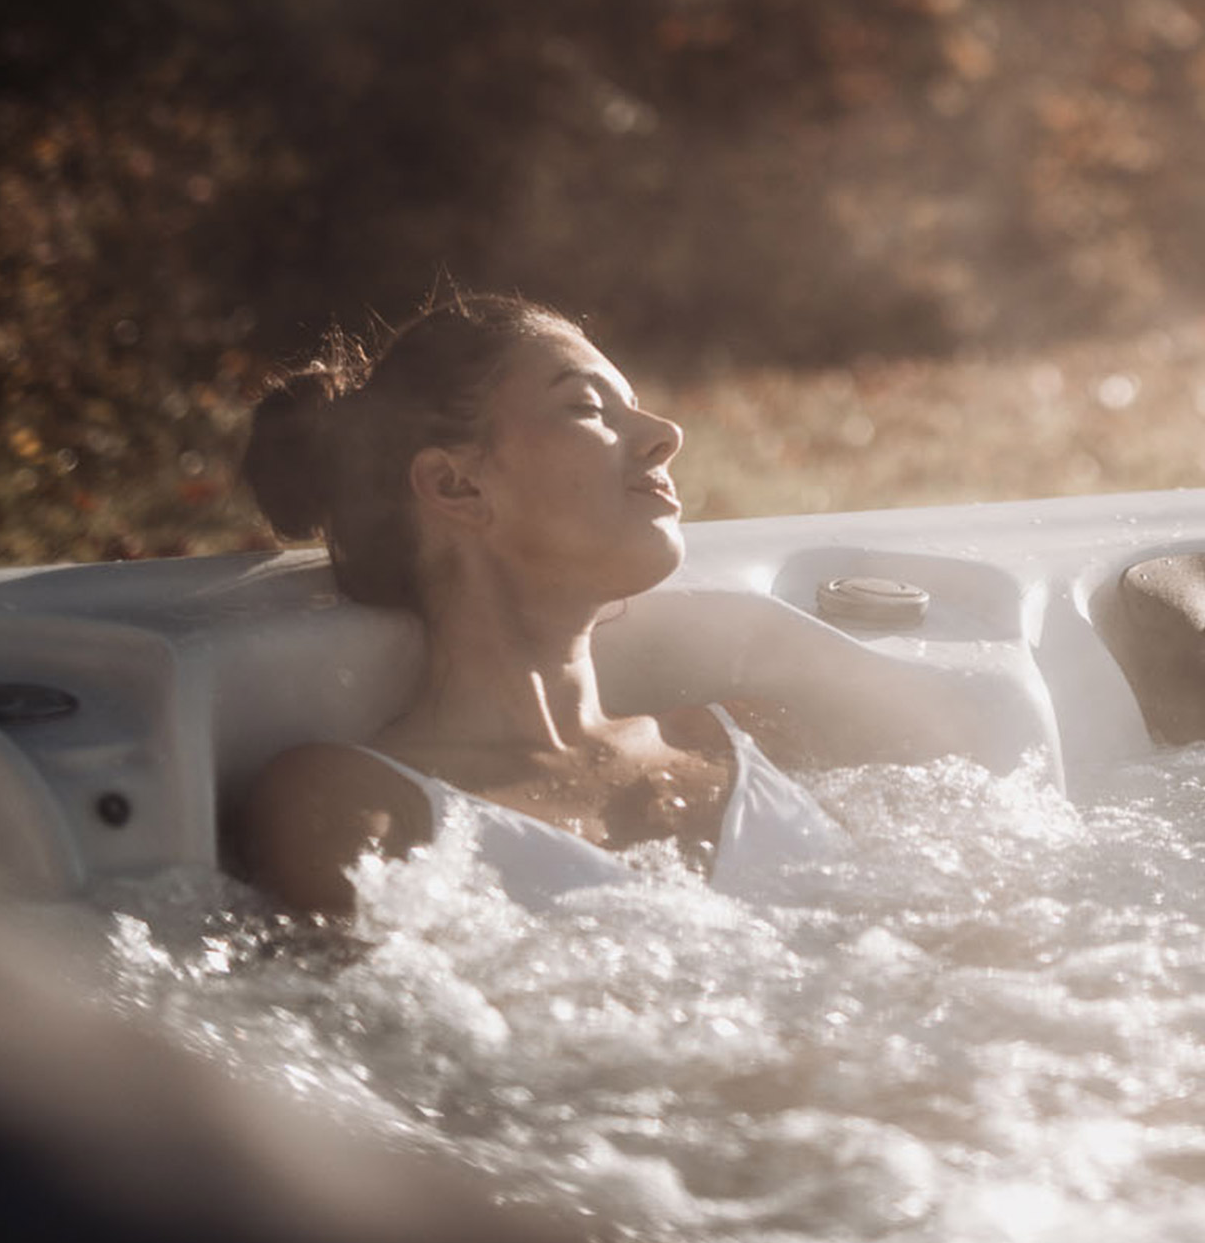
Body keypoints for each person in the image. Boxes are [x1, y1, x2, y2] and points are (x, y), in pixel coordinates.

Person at [234, 292, 846, 915]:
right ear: (457, 485)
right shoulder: (358, 802)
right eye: (586, 406)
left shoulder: (754, 737)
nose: (667, 435)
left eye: (635, 406)